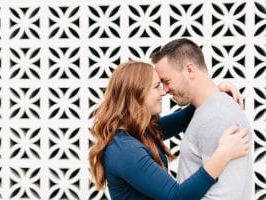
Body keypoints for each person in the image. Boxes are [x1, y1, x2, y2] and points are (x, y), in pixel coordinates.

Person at [89, 60, 249, 200]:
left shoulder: (140, 132)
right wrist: (223, 155)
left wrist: (213, 90)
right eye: (157, 86)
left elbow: (184, 117)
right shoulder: (125, 150)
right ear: (137, 94)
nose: (164, 91)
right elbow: (176, 197)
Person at [151, 38, 253, 200]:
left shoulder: (217, 116)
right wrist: (216, 90)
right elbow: (152, 131)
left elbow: (226, 196)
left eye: (166, 81)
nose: (164, 91)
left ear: (189, 70)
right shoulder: (205, 110)